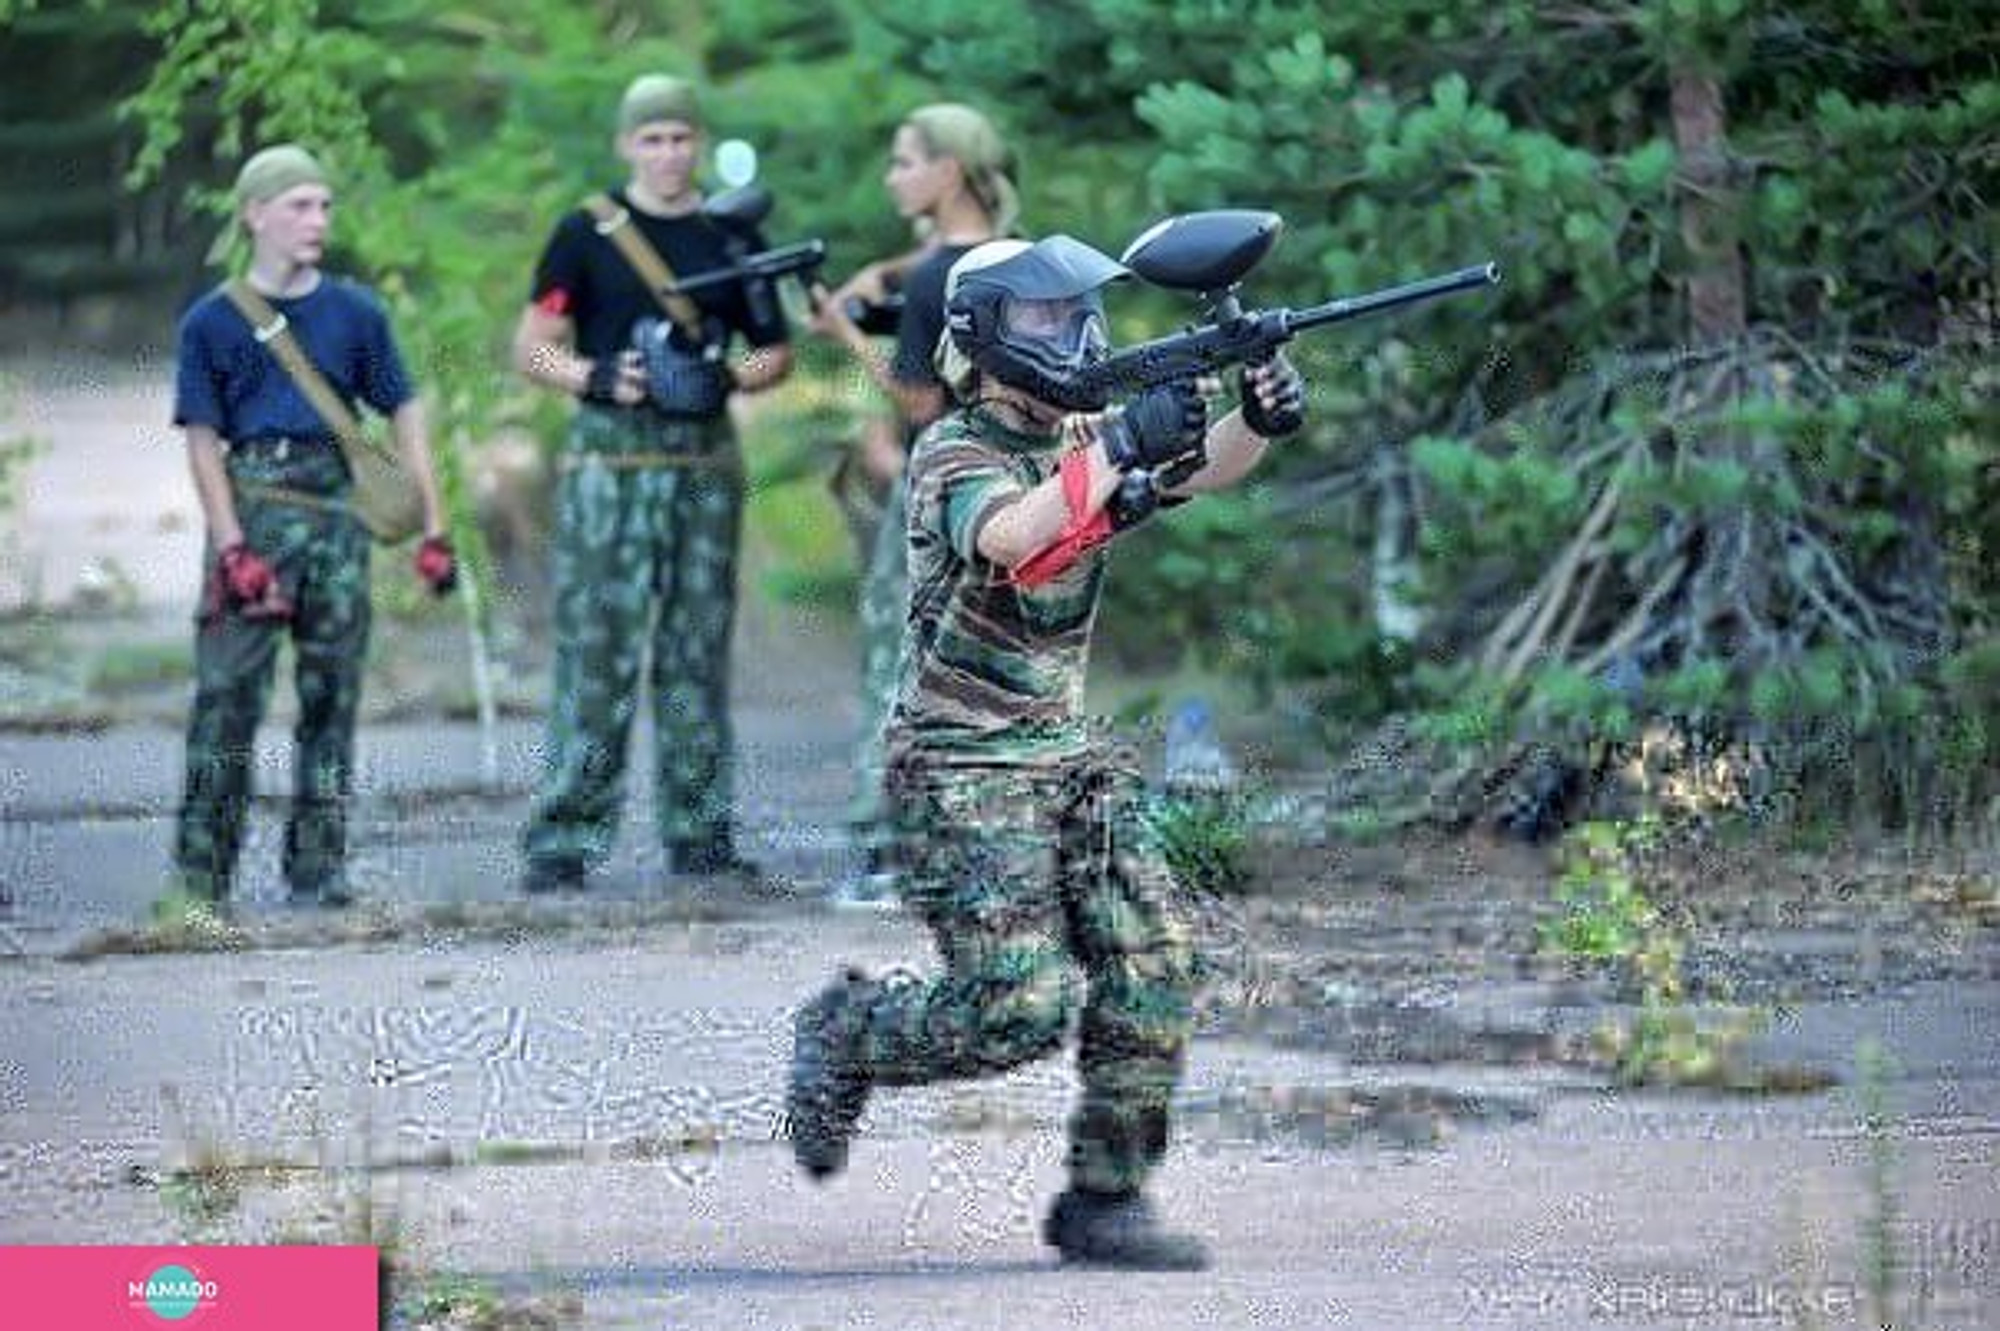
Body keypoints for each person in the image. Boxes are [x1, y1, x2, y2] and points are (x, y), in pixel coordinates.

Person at [786, 235, 1308, 1269]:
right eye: (1040, 317)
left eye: (1076, 313)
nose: (1072, 333)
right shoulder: (956, 451)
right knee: (1016, 1007)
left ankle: (1104, 1197)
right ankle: (849, 1029)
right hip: (958, 766)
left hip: (1064, 755)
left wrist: (1253, 411)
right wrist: (1117, 446)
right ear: (980, 335)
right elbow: (1018, 534)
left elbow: (1202, 467)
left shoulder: (1077, 426)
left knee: (1152, 954)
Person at [513, 74, 793, 894]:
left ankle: (700, 833)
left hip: (702, 468)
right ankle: (564, 837)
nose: (668, 154)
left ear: (698, 144)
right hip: (611, 465)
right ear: (626, 145)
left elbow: (774, 352)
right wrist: (602, 378)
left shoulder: (733, 235)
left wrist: (726, 378)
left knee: (695, 653)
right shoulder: (586, 232)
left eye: (680, 138)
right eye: (652, 139)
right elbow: (533, 347)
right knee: (596, 650)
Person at [170, 143, 455, 911]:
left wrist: (434, 525)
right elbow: (202, 440)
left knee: (332, 701)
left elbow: (405, 411)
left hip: (336, 516)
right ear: (254, 213)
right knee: (227, 699)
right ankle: (200, 878)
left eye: (324, 205)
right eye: (299, 204)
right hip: (256, 512)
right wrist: (231, 547)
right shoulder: (212, 322)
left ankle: (318, 870)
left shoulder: (356, 313)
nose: (317, 220)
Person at [810, 103, 1019, 910]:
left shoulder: (935, 278)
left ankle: (883, 853)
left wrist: (844, 330)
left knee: (895, 663)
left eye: (906, 160)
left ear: (950, 169)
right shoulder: (1019, 260)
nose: (894, 175)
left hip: (935, 481)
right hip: (1012, 487)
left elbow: (917, 397)